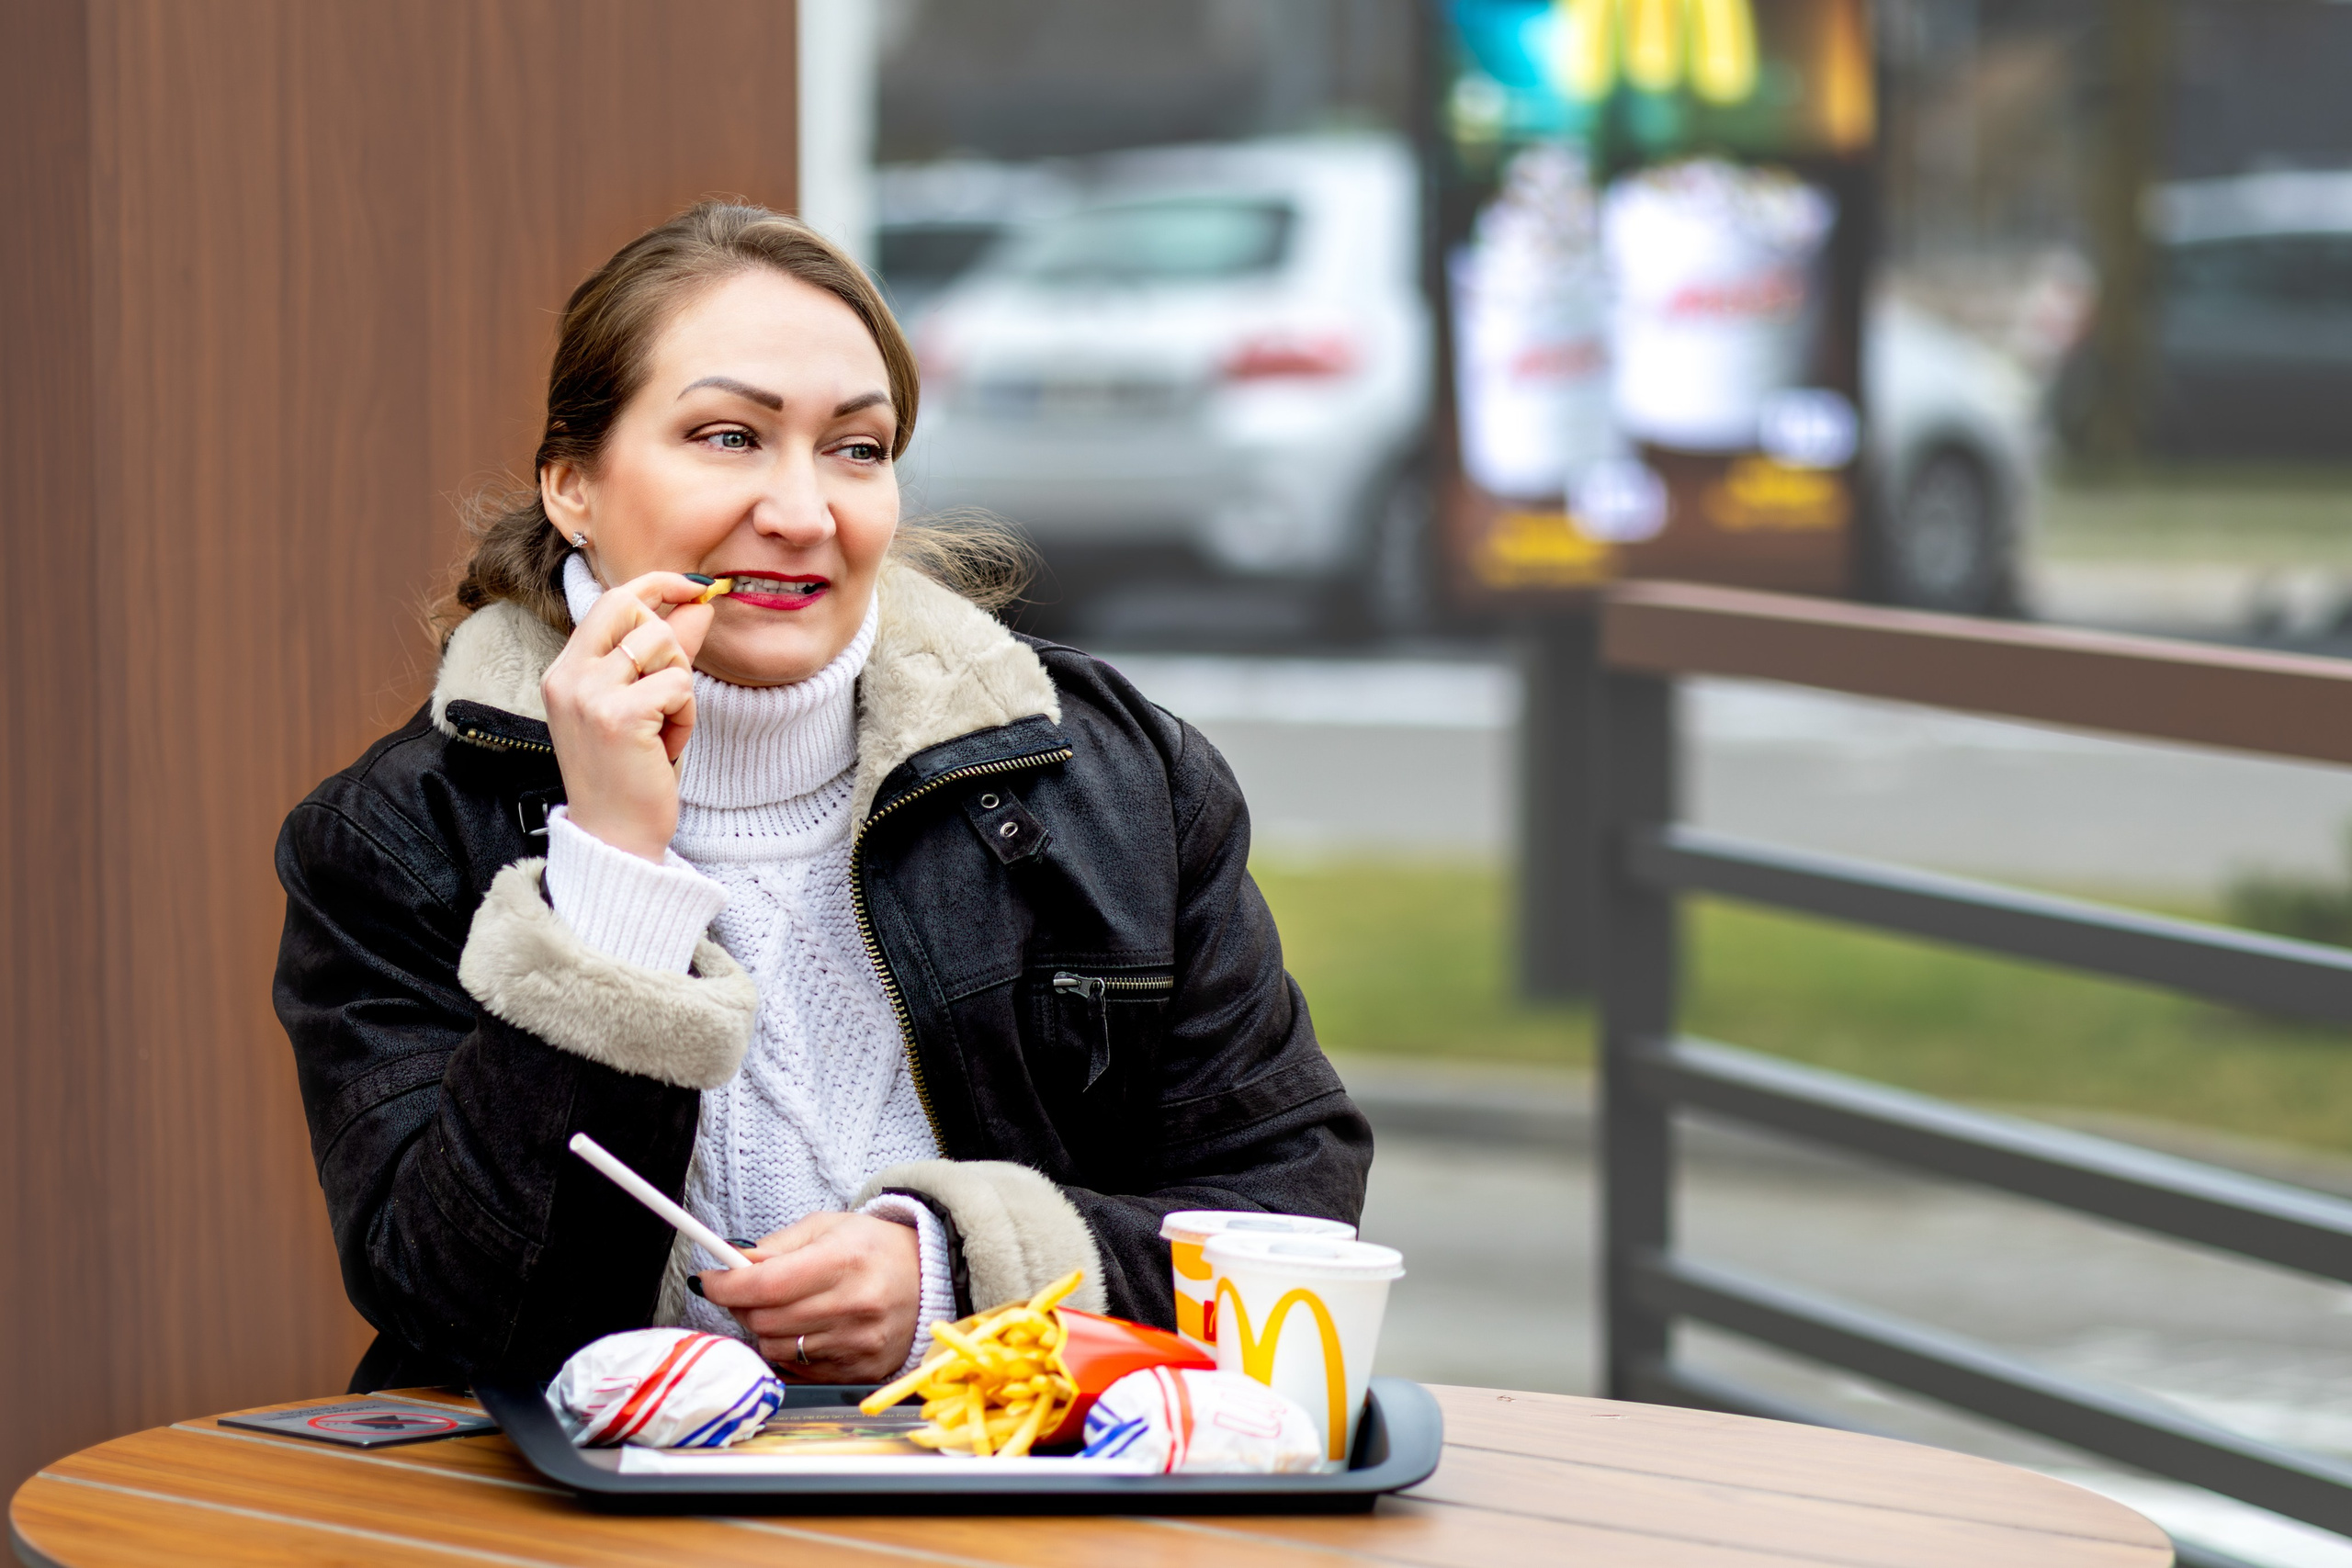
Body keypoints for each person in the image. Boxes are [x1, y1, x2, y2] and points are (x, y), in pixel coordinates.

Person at [273, 201, 1371, 1391]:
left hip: (1022, 1515)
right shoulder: (400, 836)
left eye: (857, 448)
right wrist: (613, 879)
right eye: (728, 436)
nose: (802, 513)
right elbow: (465, 1317)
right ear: (573, 484)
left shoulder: (1112, 780)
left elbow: (1290, 1218)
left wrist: (962, 1280)